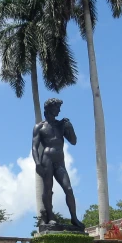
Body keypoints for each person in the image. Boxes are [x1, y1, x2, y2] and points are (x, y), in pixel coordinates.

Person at [32, 98, 85, 230]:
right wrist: (37, 163)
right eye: (56, 108)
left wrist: (70, 128)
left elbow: (73, 141)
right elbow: (34, 147)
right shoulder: (40, 126)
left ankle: (74, 217)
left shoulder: (61, 125)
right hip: (47, 159)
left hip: (60, 160)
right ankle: (50, 216)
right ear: (49, 109)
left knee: (68, 189)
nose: (59, 110)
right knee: (48, 189)